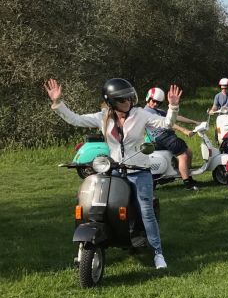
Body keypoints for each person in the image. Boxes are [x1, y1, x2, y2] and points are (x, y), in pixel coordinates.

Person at [44, 77, 182, 269]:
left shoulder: (141, 114)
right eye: (122, 100)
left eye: (129, 98)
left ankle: (158, 253)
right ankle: (101, 240)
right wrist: (57, 102)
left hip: (139, 171)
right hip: (115, 170)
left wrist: (173, 107)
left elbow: (166, 124)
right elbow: (76, 119)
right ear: (111, 101)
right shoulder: (103, 116)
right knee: (102, 206)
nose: (128, 102)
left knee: (146, 211)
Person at [143, 87, 203, 191]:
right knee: (183, 156)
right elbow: (170, 124)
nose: (155, 104)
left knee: (188, 152)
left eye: (158, 102)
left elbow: (176, 117)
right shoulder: (148, 112)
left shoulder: (156, 110)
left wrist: (195, 122)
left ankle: (188, 177)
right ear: (148, 98)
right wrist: (184, 130)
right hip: (162, 137)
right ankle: (187, 184)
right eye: (154, 101)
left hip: (166, 136)